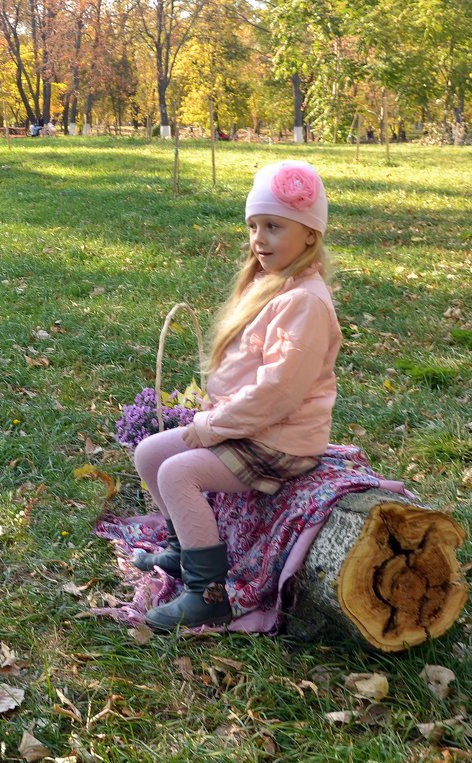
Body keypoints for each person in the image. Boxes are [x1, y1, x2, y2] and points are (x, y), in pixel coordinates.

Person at [130, 160, 340, 631]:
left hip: (279, 440)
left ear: (309, 234)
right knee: (150, 453)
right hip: (248, 425)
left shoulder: (303, 302)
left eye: (274, 226)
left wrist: (211, 427)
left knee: (179, 472)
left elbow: (278, 393)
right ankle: (186, 550)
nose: (259, 238)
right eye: (253, 226)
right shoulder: (270, 285)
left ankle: (207, 594)